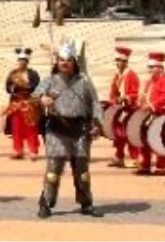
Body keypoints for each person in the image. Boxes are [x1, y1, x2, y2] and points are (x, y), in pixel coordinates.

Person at [33, 41, 103, 219]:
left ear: (74, 62)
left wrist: (97, 123)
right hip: (57, 130)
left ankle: (86, 203)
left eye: (68, 60)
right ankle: (46, 203)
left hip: (80, 131)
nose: (64, 63)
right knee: (53, 171)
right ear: (57, 62)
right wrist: (42, 99)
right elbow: (33, 98)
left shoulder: (84, 81)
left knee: (82, 171)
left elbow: (95, 103)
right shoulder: (49, 81)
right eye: (61, 60)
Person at [136, 52, 165, 176]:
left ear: (160, 68)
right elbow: (144, 94)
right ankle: (145, 165)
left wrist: (152, 105)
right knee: (145, 139)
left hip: (160, 114)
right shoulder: (150, 81)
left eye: (153, 68)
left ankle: (160, 167)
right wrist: (140, 102)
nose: (150, 70)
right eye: (150, 68)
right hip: (149, 113)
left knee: (159, 140)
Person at [4, 47, 41, 160]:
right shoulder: (13, 74)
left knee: (31, 127)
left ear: (27, 61)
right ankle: (18, 150)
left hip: (29, 103)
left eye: (24, 60)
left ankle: (33, 150)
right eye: (20, 60)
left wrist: (27, 87)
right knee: (16, 127)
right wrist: (13, 88)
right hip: (16, 104)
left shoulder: (33, 73)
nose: (22, 62)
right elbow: (7, 87)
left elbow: (37, 87)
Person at [106, 46, 140, 168]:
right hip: (119, 108)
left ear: (125, 62)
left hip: (129, 109)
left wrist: (126, 98)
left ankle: (134, 158)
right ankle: (119, 156)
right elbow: (113, 90)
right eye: (117, 60)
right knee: (118, 133)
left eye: (120, 61)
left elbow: (135, 93)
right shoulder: (117, 75)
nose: (118, 63)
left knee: (129, 134)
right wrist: (113, 101)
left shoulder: (131, 75)